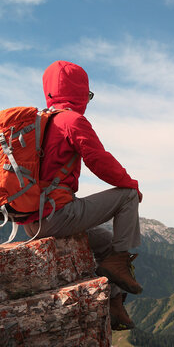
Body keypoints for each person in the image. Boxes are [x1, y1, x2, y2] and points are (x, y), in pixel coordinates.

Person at [23, 60, 143, 331]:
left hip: (30, 221)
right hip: (57, 214)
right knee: (127, 196)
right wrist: (132, 183)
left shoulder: (38, 123)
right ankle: (120, 260)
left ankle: (114, 303)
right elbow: (99, 162)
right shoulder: (72, 120)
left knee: (105, 241)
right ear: (79, 93)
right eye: (87, 95)